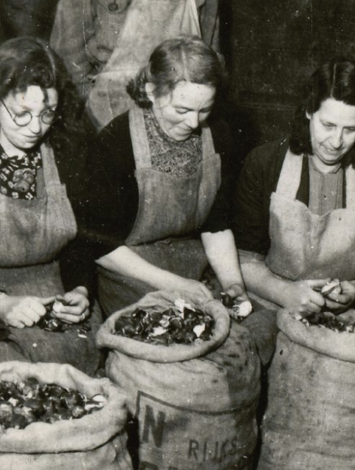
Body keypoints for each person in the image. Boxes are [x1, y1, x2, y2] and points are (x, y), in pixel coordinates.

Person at [232, 57, 355, 363]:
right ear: (308, 111)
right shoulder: (264, 163)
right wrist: (284, 293)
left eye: (351, 129)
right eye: (328, 125)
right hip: (271, 302)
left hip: (348, 313)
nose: (336, 142)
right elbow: (244, 260)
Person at [82, 35, 247, 316]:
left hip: (192, 263)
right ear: (151, 91)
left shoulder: (218, 134)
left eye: (204, 109)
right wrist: (175, 285)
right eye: (181, 110)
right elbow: (100, 244)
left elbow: (216, 225)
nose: (194, 123)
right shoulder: (117, 142)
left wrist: (234, 284)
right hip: (133, 272)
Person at [0, 37, 101, 374]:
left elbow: (79, 242)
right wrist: (3, 305)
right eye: (21, 114)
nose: (35, 127)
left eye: (47, 113)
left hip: (51, 288)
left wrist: (80, 289)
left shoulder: (66, 151)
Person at [50, 0, 221, 130]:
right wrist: (88, 101)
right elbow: (67, 50)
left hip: (183, 115)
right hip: (109, 110)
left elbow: (210, 45)